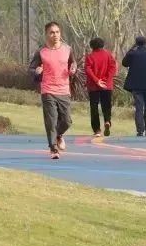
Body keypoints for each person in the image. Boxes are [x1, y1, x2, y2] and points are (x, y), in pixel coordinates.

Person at [29, 22, 77, 158]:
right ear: (46, 34)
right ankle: (53, 149)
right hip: (48, 90)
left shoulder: (68, 49)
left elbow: (72, 63)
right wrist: (36, 71)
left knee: (67, 121)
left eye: (57, 32)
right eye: (52, 32)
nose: (55, 35)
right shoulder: (41, 52)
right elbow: (32, 68)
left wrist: (73, 68)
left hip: (64, 89)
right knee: (51, 120)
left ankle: (59, 135)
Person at [84, 37, 117, 137]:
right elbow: (113, 67)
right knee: (106, 105)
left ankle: (97, 130)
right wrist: (106, 80)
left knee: (94, 107)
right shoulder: (108, 55)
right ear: (102, 45)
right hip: (106, 86)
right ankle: (107, 120)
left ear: (92, 46)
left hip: (94, 86)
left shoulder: (90, 56)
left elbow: (88, 70)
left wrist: (97, 80)